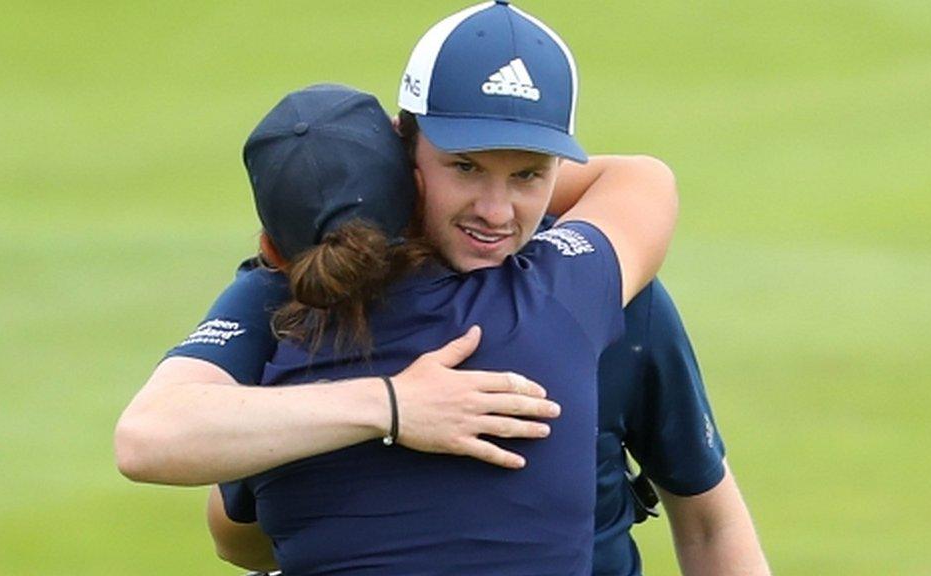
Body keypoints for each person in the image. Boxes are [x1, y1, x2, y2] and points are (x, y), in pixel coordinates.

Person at [115, 2, 769, 574]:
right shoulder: (575, 294)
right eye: (465, 166)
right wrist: (397, 407)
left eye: (528, 175)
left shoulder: (287, 319)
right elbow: (643, 179)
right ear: (406, 152)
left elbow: (234, 528)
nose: (494, 212)